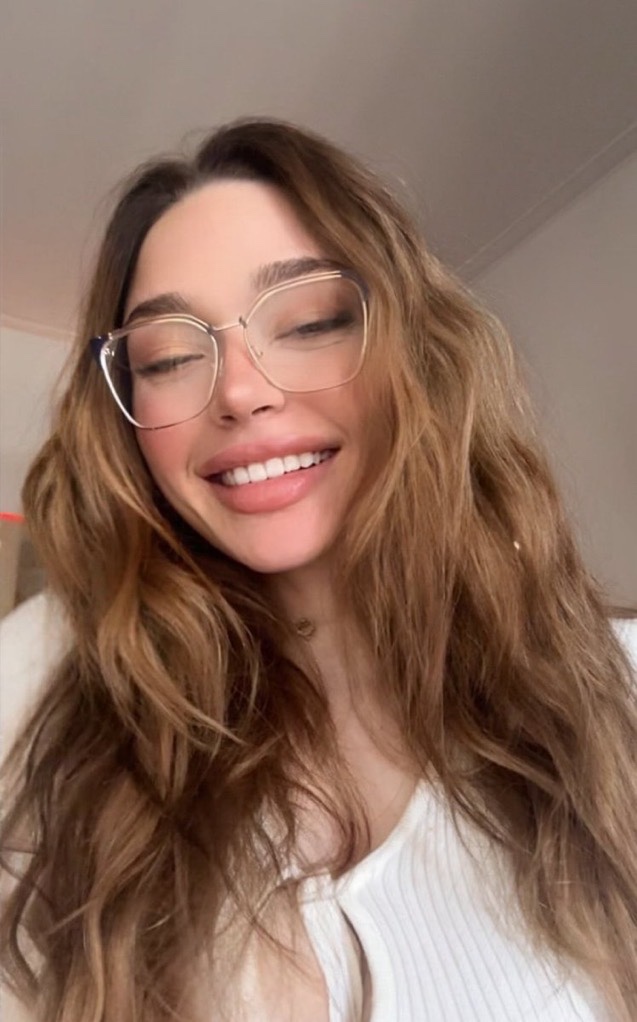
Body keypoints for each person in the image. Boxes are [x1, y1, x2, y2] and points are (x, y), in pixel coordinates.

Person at [1, 118, 636, 1022]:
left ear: (416, 350)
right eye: (169, 356)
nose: (239, 390)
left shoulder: (616, 693)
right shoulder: (51, 720)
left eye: (307, 322)